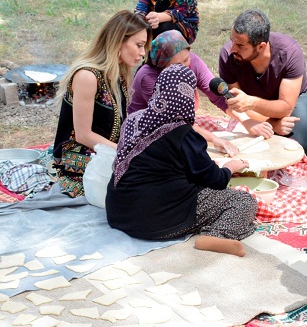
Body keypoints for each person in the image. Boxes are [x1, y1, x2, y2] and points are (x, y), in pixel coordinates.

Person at [106, 64, 258, 257]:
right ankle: (218, 235)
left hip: (118, 213)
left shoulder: (133, 120)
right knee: (243, 201)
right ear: (189, 96)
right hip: (157, 221)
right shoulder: (183, 133)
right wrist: (230, 167)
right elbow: (216, 180)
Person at [53, 10, 150, 198]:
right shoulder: (87, 76)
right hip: (76, 159)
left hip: (107, 152)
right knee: (141, 180)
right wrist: (126, 152)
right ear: (118, 40)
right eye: (138, 45)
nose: (142, 53)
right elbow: (83, 135)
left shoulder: (118, 74)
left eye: (144, 46)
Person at [128, 30, 239, 156]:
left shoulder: (193, 61)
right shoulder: (148, 77)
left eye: (186, 60)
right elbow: (172, 123)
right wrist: (214, 139)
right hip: (149, 134)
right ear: (161, 65)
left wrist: (247, 121)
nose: (184, 67)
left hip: (180, 125)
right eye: (176, 64)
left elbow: (218, 97)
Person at [218, 9, 307, 152]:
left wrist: (251, 103)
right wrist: (271, 125)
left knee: (299, 148)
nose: (232, 49)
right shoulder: (227, 56)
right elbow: (237, 104)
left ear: (261, 46)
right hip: (249, 106)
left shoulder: (290, 52)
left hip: (290, 101)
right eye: (232, 41)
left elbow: (286, 107)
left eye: (240, 46)